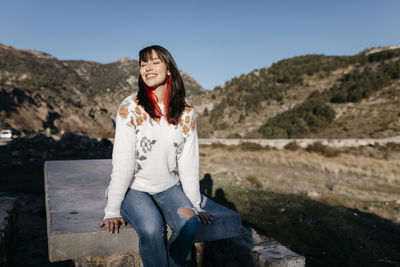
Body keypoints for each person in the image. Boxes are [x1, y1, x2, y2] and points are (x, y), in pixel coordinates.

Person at [99, 45, 214, 267]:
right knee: (152, 228)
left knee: (188, 223)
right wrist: (112, 209)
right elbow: (123, 161)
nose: (148, 68)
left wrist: (196, 205)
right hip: (134, 188)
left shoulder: (186, 112)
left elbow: (188, 162)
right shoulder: (130, 107)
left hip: (168, 186)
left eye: (155, 62)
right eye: (143, 64)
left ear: (169, 69)